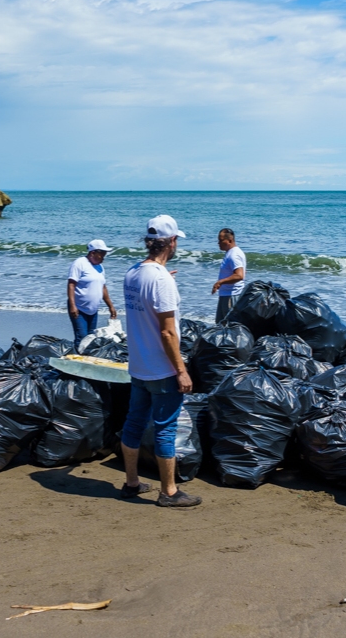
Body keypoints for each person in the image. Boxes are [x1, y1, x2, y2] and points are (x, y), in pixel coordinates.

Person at [119, 214, 201, 508]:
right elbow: (168, 333)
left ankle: (131, 483)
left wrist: (166, 280)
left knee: (134, 423)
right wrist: (181, 370)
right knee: (165, 427)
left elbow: (145, 300)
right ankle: (169, 492)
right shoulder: (160, 280)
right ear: (172, 242)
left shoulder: (133, 273)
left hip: (138, 365)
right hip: (161, 368)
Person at [67, 239, 118, 346]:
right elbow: (71, 285)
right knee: (82, 338)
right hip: (79, 308)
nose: (103, 257)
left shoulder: (100, 267)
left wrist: (111, 306)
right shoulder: (79, 263)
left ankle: (86, 359)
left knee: (91, 339)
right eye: (102, 254)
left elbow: (103, 287)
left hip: (93, 310)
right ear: (93, 253)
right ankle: (77, 359)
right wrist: (72, 306)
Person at [211, 227, 246, 322]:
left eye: (221, 240)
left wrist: (220, 282)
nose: (218, 243)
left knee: (228, 327)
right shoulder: (230, 253)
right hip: (225, 294)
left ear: (230, 240)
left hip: (231, 295)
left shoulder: (234, 255)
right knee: (220, 324)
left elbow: (239, 275)